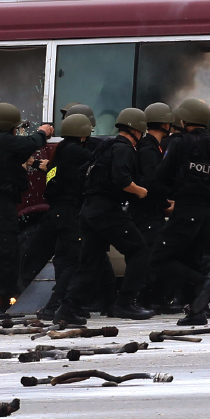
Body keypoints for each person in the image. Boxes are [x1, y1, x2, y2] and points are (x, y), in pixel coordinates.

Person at [63, 111, 156, 324]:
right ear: (135, 130)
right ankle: (126, 303)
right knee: (139, 250)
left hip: (88, 211)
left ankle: (67, 308)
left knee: (91, 261)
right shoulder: (123, 149)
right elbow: (122, 180)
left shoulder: (105, 147)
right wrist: (140, 191)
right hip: (106, 211)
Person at [148, 98, 210, 325]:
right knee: (190, 260)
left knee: (158, 259)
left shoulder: (180, 143)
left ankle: (204, 281)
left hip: (185, 210)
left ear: (185, 121)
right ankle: (196, 312)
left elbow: (162, 176)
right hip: (207, 214)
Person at [0, 102, 47, 321]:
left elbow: (13, 157)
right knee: (1, 255)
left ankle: (3, 301)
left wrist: (34, 164)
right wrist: (42, 132)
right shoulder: (3, 140)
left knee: (10, 253)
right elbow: (29, 143)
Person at [24, 111, 97, 321]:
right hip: (70, 213)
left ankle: (71, 305)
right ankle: (55, 307)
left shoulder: (60, 150)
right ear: (83, 135)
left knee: (64, 260)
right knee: (75, 261)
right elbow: (97, 161)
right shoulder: (78, 152)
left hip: (55, 213)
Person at [135, 101, 174, 312]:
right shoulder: (149, 149)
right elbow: (152, 182)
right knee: (154, 256)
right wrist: (165, 203)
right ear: (165, 124)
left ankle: (155, 299)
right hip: (148, 212)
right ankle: (150, 300)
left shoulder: (151, 146)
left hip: (149, 210)